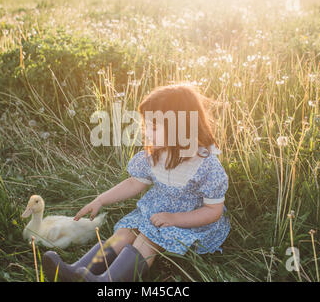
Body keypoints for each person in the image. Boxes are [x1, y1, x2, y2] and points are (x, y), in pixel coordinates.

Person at [42, 84, 230, 282]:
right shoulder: (155, 154)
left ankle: (110, 281)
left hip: (189, 222)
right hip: (155, 212)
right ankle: (79, 270)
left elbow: (212, 211)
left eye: (154, 127)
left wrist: (174, 219)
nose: (146, 132)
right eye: (146, 125)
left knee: (146, 238)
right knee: (124, 233)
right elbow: (134, 183)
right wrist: (101, 200)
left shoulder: (206, 166)